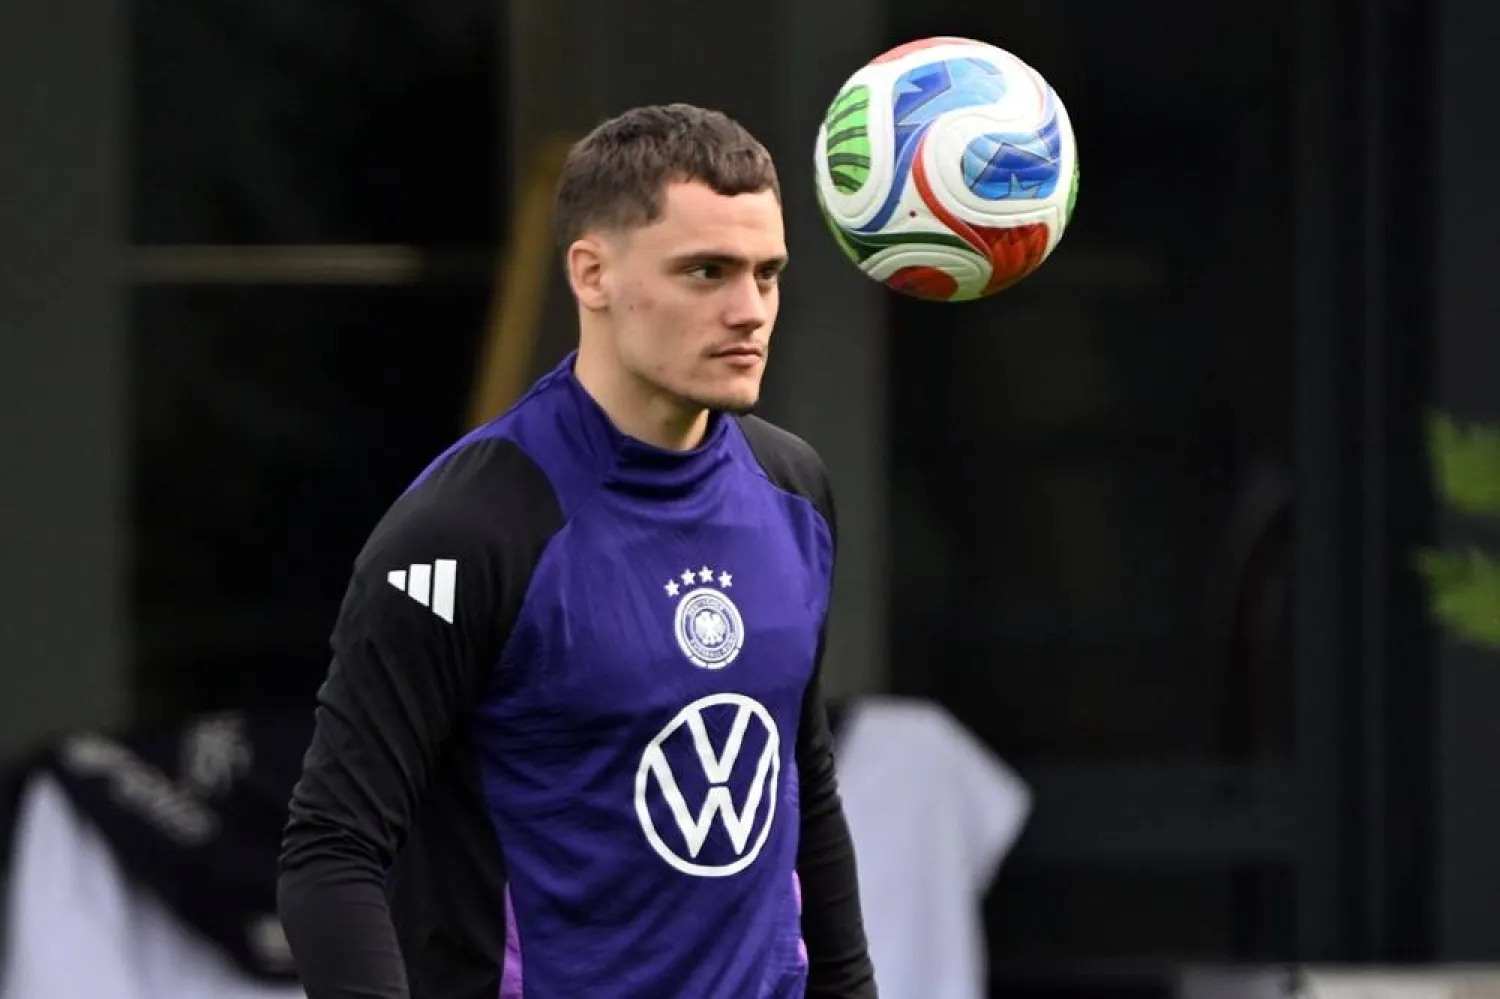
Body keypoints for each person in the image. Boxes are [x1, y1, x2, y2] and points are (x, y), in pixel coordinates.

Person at [276, 103, 877, 999]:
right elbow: (332, 846)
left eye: (768, 273)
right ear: (591, 273)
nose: (749, 310)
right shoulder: (467, 528)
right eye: (706, 271)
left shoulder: (795, 490)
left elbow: (803, 788)